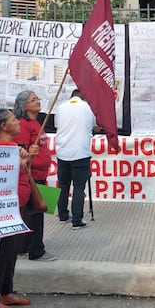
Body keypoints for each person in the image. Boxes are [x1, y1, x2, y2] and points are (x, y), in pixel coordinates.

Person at [0, 109, 32, 308]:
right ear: (4, 126)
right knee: (1, 254)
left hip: (18, 207)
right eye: (14, 120)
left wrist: (26, 162)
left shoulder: (14, 147)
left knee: (11, 252)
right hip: (3, 210)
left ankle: (6, 291)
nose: (18, 122)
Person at [13, 90, 56, 258]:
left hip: (41, 174)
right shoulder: (23, 124)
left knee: (33, 211)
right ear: (24, 105)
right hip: (32, 175)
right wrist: (29, 155)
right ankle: (36, 249)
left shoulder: (36, 123)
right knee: (36, 212)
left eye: (37, 98)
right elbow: (21, 149)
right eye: (33, 99)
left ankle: (24, 246)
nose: (38, 101)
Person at [55, 89, 96, 229]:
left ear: (71, 97)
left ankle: (62, 215)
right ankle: (77, 220)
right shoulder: (88, 107)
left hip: (63, 152)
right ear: (83, 97)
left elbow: (57, 125)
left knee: (63, 185)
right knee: (79, 187)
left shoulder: (60, 107)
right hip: (80, 153)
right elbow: (93, 126)